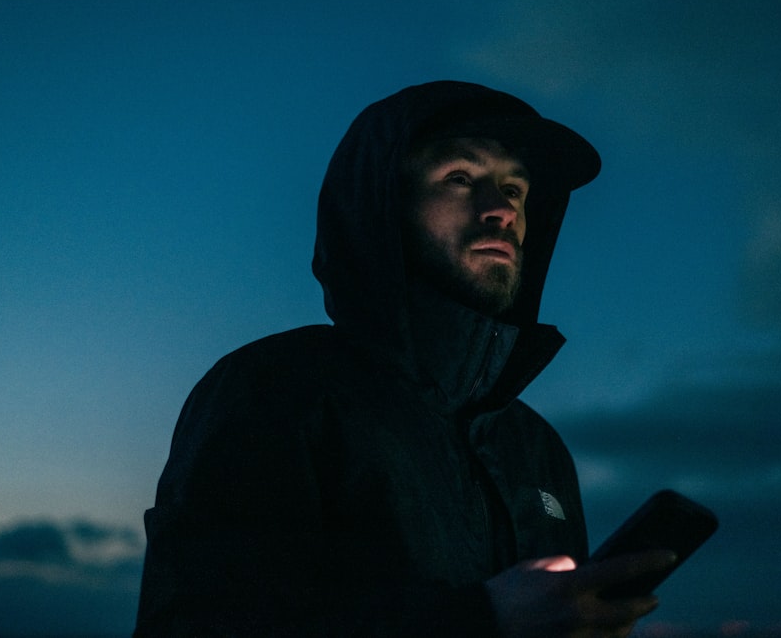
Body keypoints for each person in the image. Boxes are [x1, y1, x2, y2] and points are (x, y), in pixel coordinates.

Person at [134, 81, 676, 637]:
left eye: (515, 189)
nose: (500, 211)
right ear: (384, 204)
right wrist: (481, 621)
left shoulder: (538, 449)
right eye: (460, 178)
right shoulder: (277, 389)